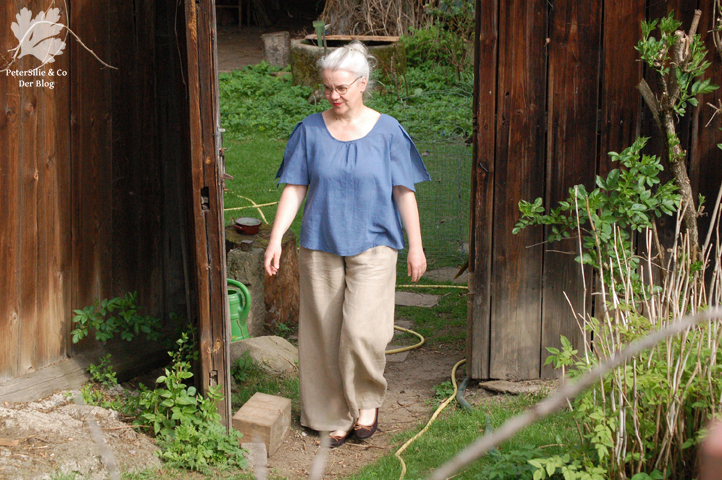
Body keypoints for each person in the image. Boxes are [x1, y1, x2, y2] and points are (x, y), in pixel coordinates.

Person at [264, 41, 430, 448]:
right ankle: (331, 415)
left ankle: (366, 401)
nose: (333, 96)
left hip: (375, 243)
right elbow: (294, 188)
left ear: (362, 83)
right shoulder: (309, 131)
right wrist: (275, 238)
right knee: (322, 335)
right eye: (327, 88)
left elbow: (404, 191)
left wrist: (416, 246)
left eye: (341, 88)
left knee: (362, 332)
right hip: (320, 244)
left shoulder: (389, 132)